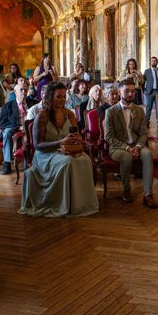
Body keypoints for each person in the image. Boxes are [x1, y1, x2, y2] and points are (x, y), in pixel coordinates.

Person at [20, 81, 99, 217]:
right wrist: (60, 142)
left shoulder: (69, 114)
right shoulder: (42, 116)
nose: (62, 100)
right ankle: (62, 205)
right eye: (59, 97)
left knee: (85, 159)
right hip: (45, 154)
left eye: (64, 97)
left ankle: (80, 203)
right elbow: (37, 145)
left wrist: (77, 140)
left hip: (65, 150)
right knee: (67, 162)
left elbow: (75, 135)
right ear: (50, 96)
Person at [104, 77, 158, 208]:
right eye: (127, 91)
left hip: (136, 144)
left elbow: (143, 133)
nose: (130, 94)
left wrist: (138, 146)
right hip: (118, 147)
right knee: (126, 157)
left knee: (148, 155)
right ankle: (126, 191)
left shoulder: (139, 110)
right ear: (119, 91)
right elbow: (109, 137)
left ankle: (148, 194)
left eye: (133, 91)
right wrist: (127, 148)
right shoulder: (110, 112)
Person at [0, 84, 29, 175]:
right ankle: (7, 163)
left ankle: (33, 162)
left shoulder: (32, 103)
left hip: (29, 127)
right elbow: (3, 123)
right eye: (21, 90)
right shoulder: (8, 106)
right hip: (14, 128)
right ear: (15, 92)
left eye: (25, 90)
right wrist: (17, 127)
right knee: (7, 132)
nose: (23, 92)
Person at [143, 56, 158, 124]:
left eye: (155, 61)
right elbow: (143, 81)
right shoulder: (147, 71)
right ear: (150, 62)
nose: (153, 62)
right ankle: (146, 122)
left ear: (157, 62)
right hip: (150, 91)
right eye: (152, 61)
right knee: (149, 107)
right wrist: (144, 90)